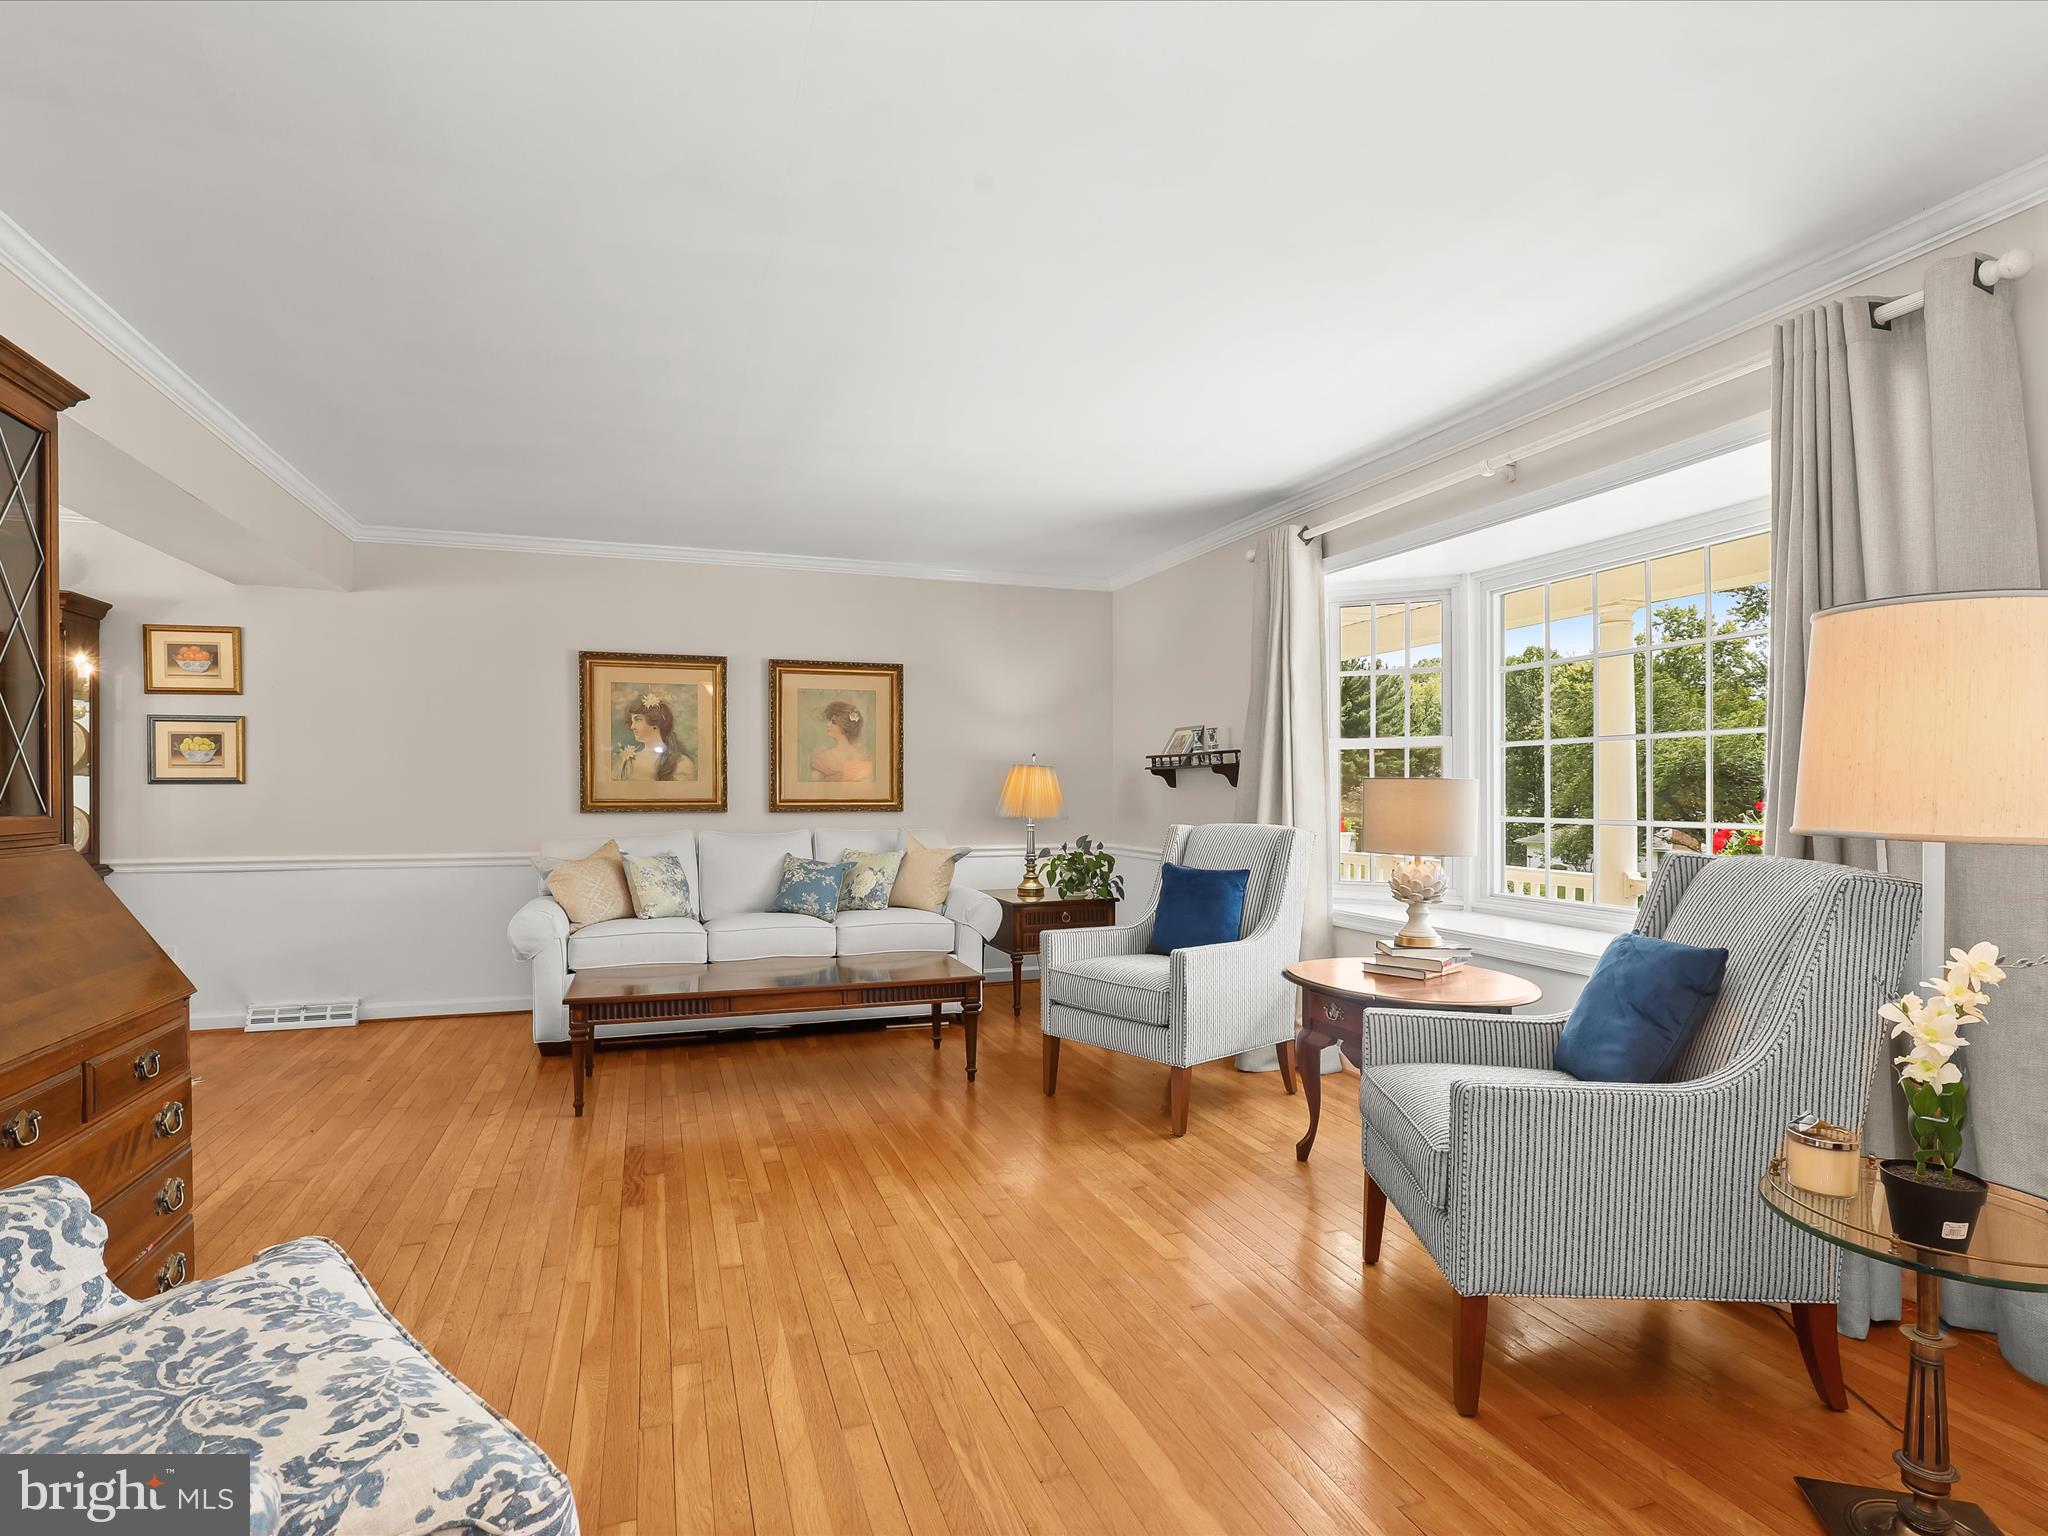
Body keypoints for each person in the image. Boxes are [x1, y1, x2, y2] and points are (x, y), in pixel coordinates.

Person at [618, 691, 693, 781]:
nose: (632, 726)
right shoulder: (629, 762)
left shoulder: (682, 763)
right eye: (632, 721)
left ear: (656, 723)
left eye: (638, 719)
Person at [809, 699, 873, 782]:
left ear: (844, 727)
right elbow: (814, 790)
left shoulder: (862, 756)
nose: (827, 725)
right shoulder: (822, 758)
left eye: (833, 722)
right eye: (829, 721)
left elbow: (866, 789)